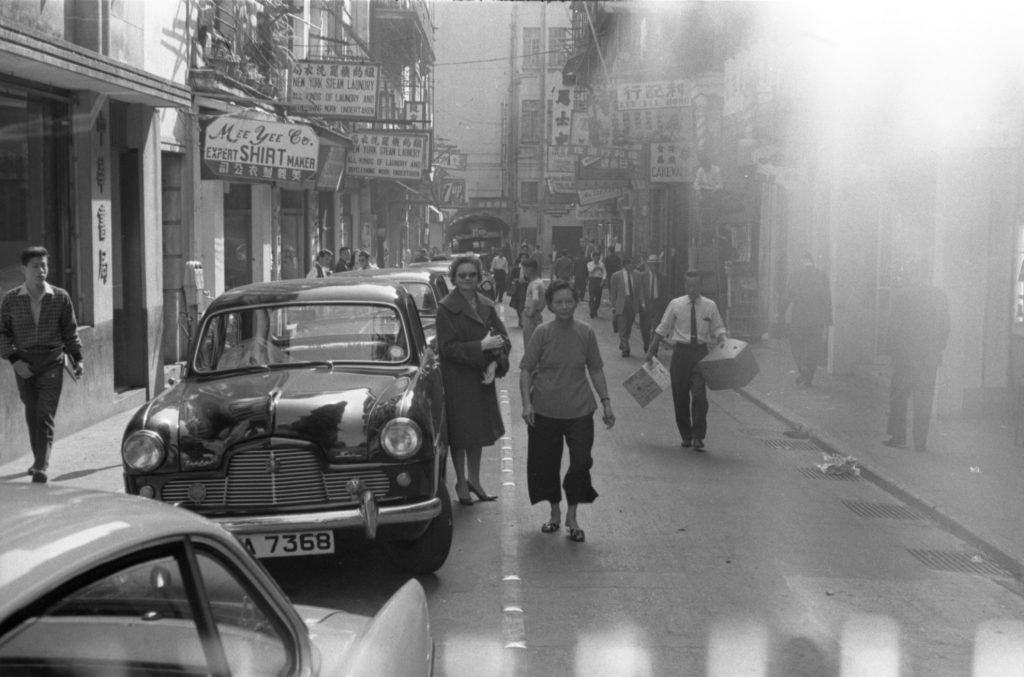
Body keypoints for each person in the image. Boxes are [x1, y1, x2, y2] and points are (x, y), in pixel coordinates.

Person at [520, 280, 615, 543]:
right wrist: (527, 404)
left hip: (580, 409)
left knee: (581, 461)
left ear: (576, 303)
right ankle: (554, 513)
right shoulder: (542, 332)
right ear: (549, 305)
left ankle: (573, 515)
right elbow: (526, 369)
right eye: (558, 302)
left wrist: (606, 401)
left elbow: (595, 368)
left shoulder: (586, 332)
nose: (564, 306)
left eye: (568, 301)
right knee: (546, 464)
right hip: (545, 410)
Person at [0, 246, 84, 483]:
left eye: (44, 265)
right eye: (35, 266)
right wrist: (14, 360)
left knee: (45, 412)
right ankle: (38, 458)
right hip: (24, 363)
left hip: (51, 361)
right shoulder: (11, 300)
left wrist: (78, 358)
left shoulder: (60, 297)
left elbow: (70, 331)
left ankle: (41, 467)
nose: (41, 270)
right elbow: (2, 333)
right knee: (31, 410)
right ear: (23, 269)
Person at [436, 254, 511, 505]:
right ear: (454, 278)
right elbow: (447, 348)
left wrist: (494, 362)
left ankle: (475, 480)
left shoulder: (487, 305)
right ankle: (460, 482)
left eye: (472, 275)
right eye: (462, 275)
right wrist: (480, 345)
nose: (468, 279)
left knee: (477, 432)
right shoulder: (446, 307)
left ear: (479, 277)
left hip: (480, 376)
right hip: (457, 378)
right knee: (460, 433)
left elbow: (503, 340)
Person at [644, 270, 728, 451]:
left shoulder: (710, 306)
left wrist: (725, 345)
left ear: (701, 286)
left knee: (699, 395)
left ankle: (698, 435)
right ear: (685, 285)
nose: (691, 289)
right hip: (680, 354)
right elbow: (662, 328)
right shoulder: (676, 304)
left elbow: (719, 329)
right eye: (688, 286)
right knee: (680, 395)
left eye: (695, 286)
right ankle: (686, 435)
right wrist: (652, 349)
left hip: (700, 353)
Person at [884, 261, 950, 452]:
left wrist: (891, 354)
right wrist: (938, 349)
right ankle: (920, 442)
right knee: (924, 400)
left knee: (898, 397)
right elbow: (945, 326)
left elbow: (893, 328)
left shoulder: (902, 296)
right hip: (928, 358)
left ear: (913, 275)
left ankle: (898, 436)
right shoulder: (939, 296)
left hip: (905, 358)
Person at [783, 253, 832, 386]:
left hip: (799, 317)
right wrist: (828, 321)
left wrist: (781, 313)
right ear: (813, 261)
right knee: (813, 348)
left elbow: (788, 296)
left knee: (796, 345)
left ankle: (802, 368)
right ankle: (808, 377)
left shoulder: (795, 275)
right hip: (817, 319)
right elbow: (827, 299)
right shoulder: (822, 276)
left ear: (802, 261)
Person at [608, 256, 646, 357]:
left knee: (629, 325)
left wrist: (642, 302)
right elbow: (613, 292)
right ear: (625, 265)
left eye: (633, 264)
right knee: (622, 326)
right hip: (621, 303)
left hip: (632, 302)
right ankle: (626, 348)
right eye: (630, 264)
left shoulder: (637, 275)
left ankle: (623, 342)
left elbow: (641, 289)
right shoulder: (616, 276)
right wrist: (613, 305)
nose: (632, 266)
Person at [638, 254, 666, 351]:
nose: (654, 266)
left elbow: (664, 293)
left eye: (656, 265)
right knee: (645, 327)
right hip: (646, 304)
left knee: (656, 328)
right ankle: (646, 344)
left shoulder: (662, 277)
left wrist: (664, 306)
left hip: (657, 304)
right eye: (652, 264)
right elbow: (640, 290)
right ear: (649, 265)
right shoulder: (642, 276)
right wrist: (642, 302)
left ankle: (654, 349)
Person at [521, 258, 546, 349]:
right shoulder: (540, 282)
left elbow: (535, 299)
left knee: (529, 344)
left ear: (529, 269)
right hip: (538, 314)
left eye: (523, 269)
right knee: (538, 343)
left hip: (531, 316)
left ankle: (530, 362)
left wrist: (530, 312)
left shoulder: (534, 284)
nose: (523, 271)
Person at [603, 245, 622, 331]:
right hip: (617, 275)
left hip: (610, 275)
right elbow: (619, 266)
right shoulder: (617, 258)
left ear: (609, 250)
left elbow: (605, 267)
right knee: (617, 288)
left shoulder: (606, 258)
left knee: (612, 289)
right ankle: (616, 299)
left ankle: (613, 300)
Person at [509, 252, 530, 327]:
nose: (523, 259)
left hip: (526, 287)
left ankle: (524, 319)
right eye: (522, 257)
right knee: (518, 305)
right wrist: (516, 280)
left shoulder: (529, 268)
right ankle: (520, 319)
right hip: (518, 288)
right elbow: (511, 277)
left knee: (525, 304)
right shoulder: (516, 268)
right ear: (520, 259)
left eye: (525, 257)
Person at [586, 250, 606, 319]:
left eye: (598, 258)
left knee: (598, 298)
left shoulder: (602, 264)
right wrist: (596, 267)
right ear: (593, 257)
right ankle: (592, 311)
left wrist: (603, 281)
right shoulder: (589, 264)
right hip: (592, 280)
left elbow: (604, 273)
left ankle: (595, 310)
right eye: (595, 257)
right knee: (591, 297)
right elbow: (590, 271)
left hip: (599, 281)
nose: (596, 259)